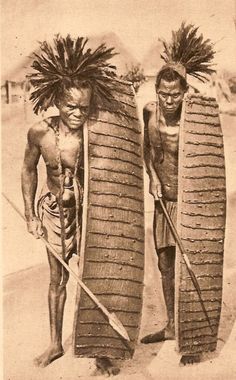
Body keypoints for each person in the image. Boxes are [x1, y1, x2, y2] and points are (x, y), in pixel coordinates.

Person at [21, 35, 121, 375]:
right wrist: (29, 214)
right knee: (57, 279)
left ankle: (100, 350)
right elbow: (27, 168)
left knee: (95, 278)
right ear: (56, 100)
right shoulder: (40, 134)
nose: (77, 114)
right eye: (70, 107)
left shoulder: (95, 133)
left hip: (88, 211)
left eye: (84, 107)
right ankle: (55, 343)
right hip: (53, 212)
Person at [141, 23, 216, 365]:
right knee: (165, 262)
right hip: (162, 201)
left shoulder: (196, 119)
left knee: (192, 263)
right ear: (156, 90)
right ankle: (171, 324)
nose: (168, 100)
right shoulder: (149, 113)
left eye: (175, 94)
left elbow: (207, 164)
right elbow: (146, 150)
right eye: (163, 93)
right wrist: (152, 178)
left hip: (190, 204)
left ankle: (193, 336)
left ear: (185, 92)